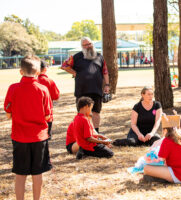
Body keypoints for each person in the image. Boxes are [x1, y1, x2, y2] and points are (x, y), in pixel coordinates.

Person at [4, 55, 52, 200]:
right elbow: (47, 116)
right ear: (38, 72)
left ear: (20, 71)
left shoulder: (13, 88)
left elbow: (8, 112)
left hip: (19, 137)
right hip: (39, 137)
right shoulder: (43, 89)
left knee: (20, 174)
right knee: (37, 173)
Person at [61, 37, 110, 133]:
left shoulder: (100, 57)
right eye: (85, 45)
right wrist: (74, 72)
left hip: (96, 90)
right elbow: (64, 65)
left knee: (96, 112)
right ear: (82, 46)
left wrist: (107, 85)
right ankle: (84, 132)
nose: (88, 46)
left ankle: (96, 132)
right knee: (82, 113)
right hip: (82, 90)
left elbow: (105, 71)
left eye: (89, 44)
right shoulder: (76, 57)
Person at [143, 115, 181, 183]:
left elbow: (161, 160)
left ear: (165, 130)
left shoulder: (167, 140)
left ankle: (162, 178)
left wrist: (150, 158)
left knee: (146, 168)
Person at [38, 60, 60, 139]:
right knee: (46, 137)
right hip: (47, 112)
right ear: (45, 69)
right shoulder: (49, 81)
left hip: (33, 114)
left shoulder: (32, 80)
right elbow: (56, 96)